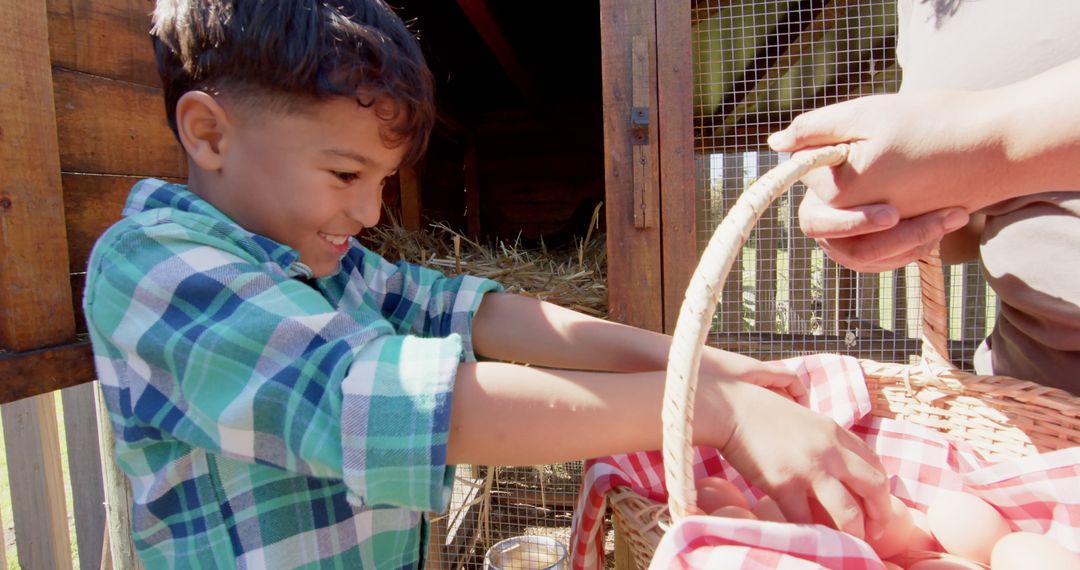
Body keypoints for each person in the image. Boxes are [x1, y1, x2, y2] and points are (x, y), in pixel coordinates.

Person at [82, 1, 892, 567]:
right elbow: (375, 398)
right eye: (344, 173)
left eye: (383, 179)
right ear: (208, 133)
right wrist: (709, 413)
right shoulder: (153, 270)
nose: (369, 211)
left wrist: (693, 362)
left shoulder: (327, 263)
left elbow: (468, 311)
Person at [768, 0, 1080, 394]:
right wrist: (875, 215)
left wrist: (986, 144)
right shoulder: (919, 9)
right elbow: (984, 222)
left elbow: (978, 153)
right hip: (1026, 403)